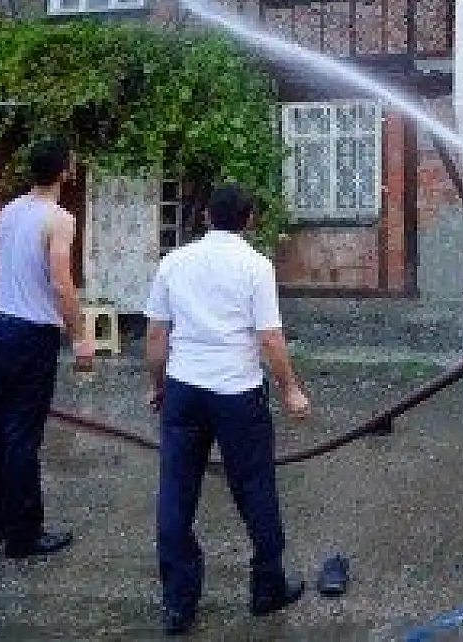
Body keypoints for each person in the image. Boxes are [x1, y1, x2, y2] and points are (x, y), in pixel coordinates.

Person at [144, 183, 313, 634]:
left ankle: (178, 604)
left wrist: (158, 385)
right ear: (250, 220)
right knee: (255, 487)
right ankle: (266, 588)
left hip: (184, 390)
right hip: (237, 393)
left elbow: (157, 336)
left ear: (204, 218)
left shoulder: (173, 264)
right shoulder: (255, 266)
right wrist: (291, 389)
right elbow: (270, 338)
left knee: (176, 492)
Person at [0, 137, 91, 559]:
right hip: (32, 336)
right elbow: (62, 283)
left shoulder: (7, 213)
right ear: (65, 171)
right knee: (23, 434)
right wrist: (80, 337)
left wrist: (2, 312)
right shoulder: (60, 219)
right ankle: (24, 535)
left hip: (1, 331)